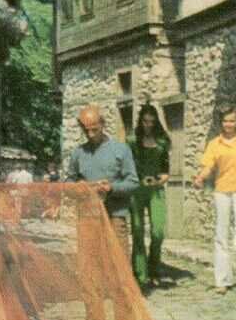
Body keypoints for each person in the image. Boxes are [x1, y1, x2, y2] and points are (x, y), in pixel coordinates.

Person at [194, 106, 236, 298]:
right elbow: (208, 167)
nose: (228, 124)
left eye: (232, 120)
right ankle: (221, 280)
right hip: (222, 191)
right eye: (225, 121)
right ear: (220, 122)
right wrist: (200, 178)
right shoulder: (214, 143)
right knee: (221, 235)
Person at [67, 105, 139, 258]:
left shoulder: (121, 150)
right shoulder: (78, 153)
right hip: (88, 216)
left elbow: (133, 183)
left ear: (103, 124)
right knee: (90, 264)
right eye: (86, 130)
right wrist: (76, 187)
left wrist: (111, 188)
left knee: (119, 263)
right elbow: (69, 181)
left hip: (115, 216)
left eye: (94, 129)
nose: (90, 134)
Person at [128, 102, 171, 289]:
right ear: (140, 122)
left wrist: (158, 181)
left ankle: (154, 267)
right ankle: (140, 273)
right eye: (145, 122)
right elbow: (126, 167)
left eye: (152, 122)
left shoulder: (162, 142)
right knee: (137, 230)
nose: (148, 125)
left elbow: (165, 170)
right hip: (137, 190)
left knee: (158, 231)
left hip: (156, 190)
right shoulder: (131, 141)